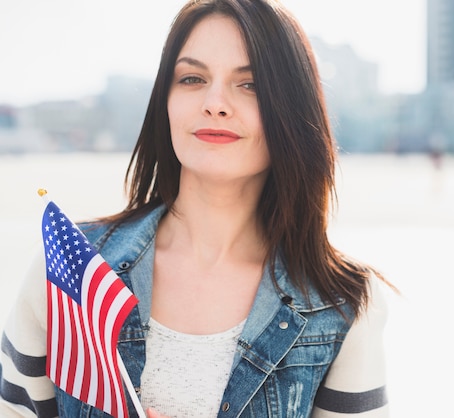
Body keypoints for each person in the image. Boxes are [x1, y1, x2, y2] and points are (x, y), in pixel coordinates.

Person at [0, 0, 393, 416]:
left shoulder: (343, 304)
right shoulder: (66, 268)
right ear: (165, 101)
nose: (215, 102)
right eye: (191, 78)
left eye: (250, 84)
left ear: (291, 108)